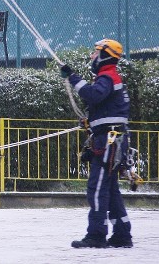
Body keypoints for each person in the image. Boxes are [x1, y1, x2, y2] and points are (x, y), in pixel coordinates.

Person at [60, 38, 133, 249]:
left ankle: (97, 235)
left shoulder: (107, 77)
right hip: (112, 139)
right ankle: (121, 235)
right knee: (109, 189)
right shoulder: (110, 77)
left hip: (109, 141)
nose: (92, 56)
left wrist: (72, 77)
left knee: (97, 188)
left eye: (95, 52)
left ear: (105, 55)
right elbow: (104, 108)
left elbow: (93, 95)